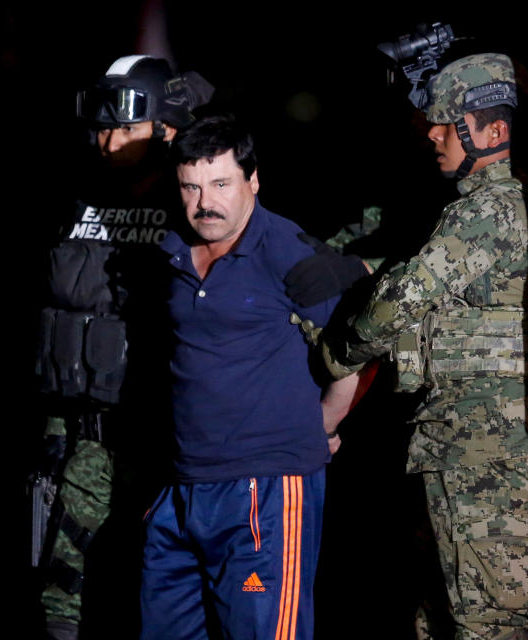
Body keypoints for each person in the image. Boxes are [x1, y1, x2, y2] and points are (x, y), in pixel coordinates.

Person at [318, 53, 528, 640]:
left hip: (486, 458)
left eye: (449, 120)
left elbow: (401, 300)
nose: (433, 132)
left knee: (487, 626)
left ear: (494, 132)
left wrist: (336, 354)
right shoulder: (505, 207)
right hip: (476, 453)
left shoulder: (488, 211)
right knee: (444, 618)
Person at [139, 114, 359, 640]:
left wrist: (322, 427)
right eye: (191, 187)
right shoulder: (170, 248)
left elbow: (359, 349)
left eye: (220, 184)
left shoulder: (289, 252)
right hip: (181, 489)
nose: (204, 202)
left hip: (264, 489)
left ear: (252, 180)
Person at [33, 54, 213, 640]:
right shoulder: (70, 194)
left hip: (153, 433)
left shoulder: (196, 202)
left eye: (126, 127)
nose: (108, 142)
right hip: (68, 425)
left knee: (155, 591)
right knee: (56, 587)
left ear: (166, 128)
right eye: (102, 127)